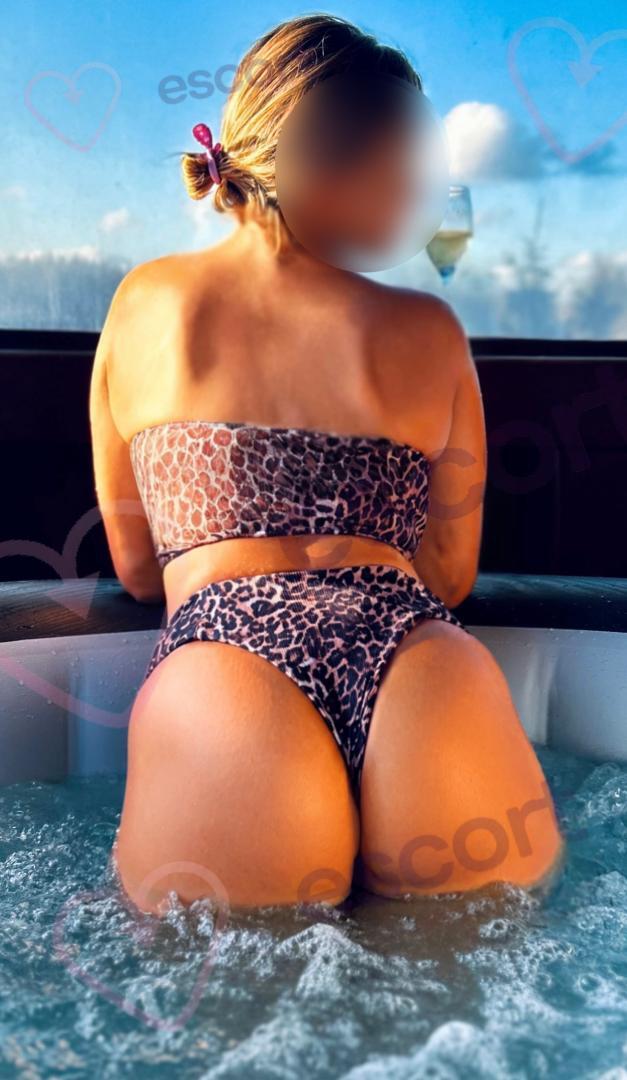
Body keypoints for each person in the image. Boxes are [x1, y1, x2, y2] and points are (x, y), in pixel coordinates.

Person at [89, 14, 563, 913]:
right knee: (477, 969)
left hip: (226, 675)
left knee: (240, 988)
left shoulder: (146, 302)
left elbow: (139, 569)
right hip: (420, 670)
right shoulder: (428, 329)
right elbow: (448, 575)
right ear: (347, 167)